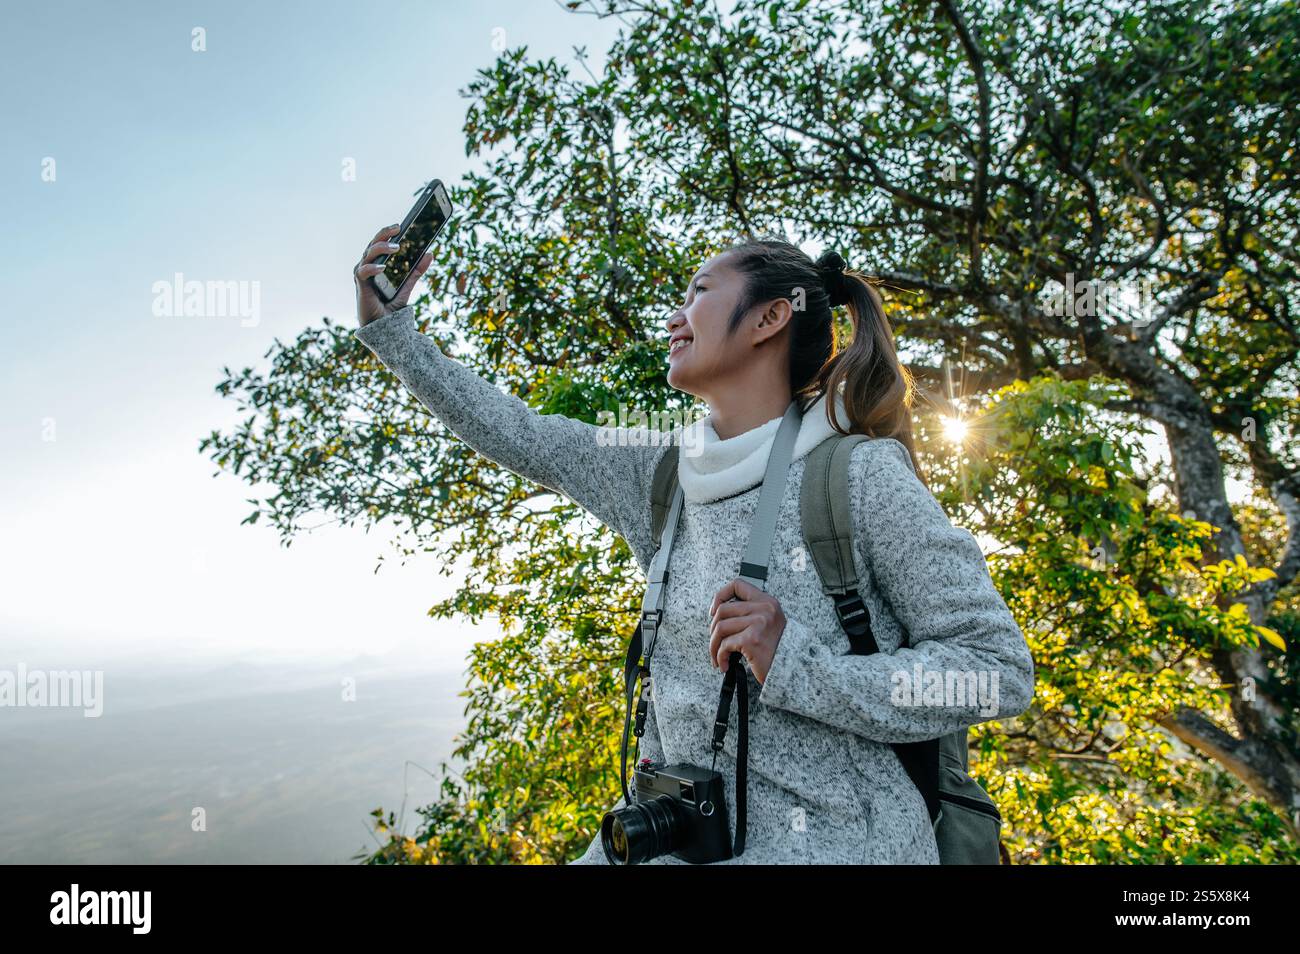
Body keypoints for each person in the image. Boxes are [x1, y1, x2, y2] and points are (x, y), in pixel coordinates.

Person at [352, 226, 1035, 864]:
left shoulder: (857, 476)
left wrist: (797, 662)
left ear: (771, 318)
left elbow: (997, 668)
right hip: (680, 832)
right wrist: (393, 330)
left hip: (847, 842)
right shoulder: (663, 476)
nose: (676, 317)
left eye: (701, 293)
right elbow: (523, 434)